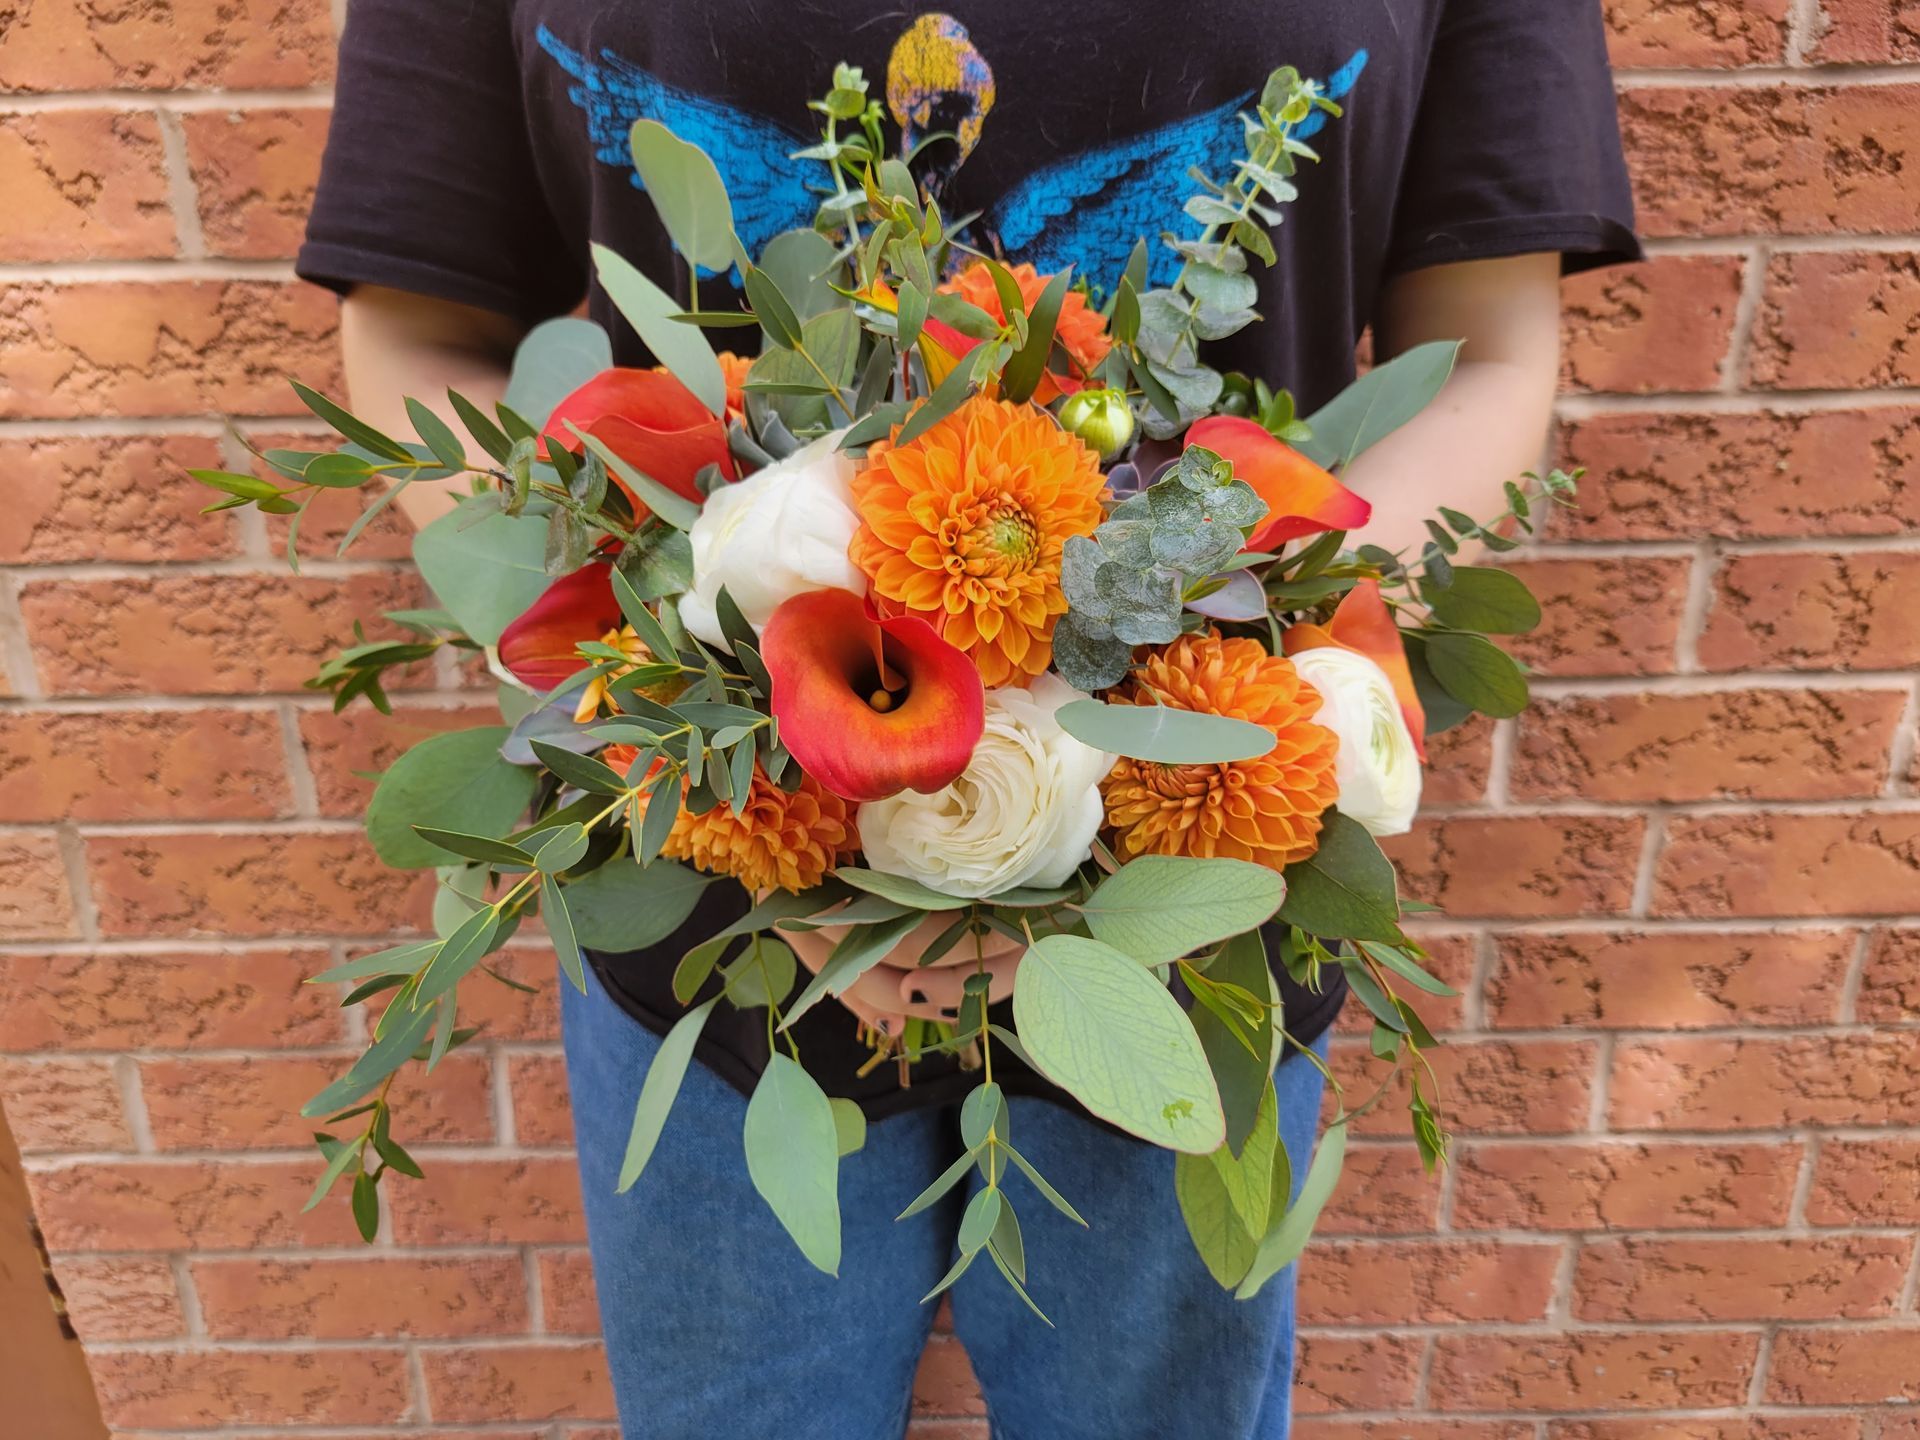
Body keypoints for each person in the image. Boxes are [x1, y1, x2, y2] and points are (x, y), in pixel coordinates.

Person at [299, 4, 1637, 1436]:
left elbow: (1487, 349)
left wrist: (1131, 776)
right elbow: (423, 331)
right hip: (713, 914)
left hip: (1196, 913)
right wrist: (749, 787)